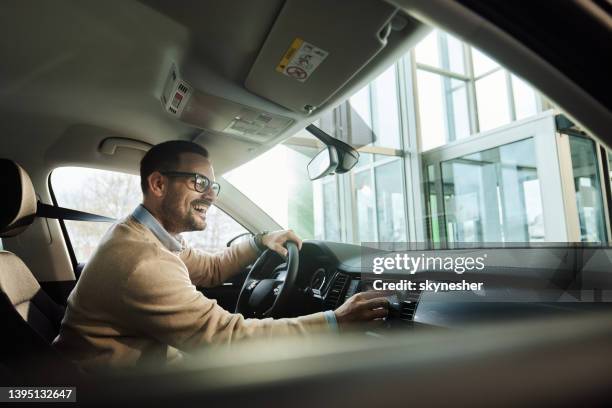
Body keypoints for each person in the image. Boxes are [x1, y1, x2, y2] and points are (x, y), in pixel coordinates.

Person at [53, 140, 389, 369]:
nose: (211, 195)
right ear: (158, 185)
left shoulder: (146, 238)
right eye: (200, 182)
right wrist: (335, 321)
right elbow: (226, 339)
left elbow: (211, 269)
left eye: (213, 185)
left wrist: (260, 241)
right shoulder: (143, 261)